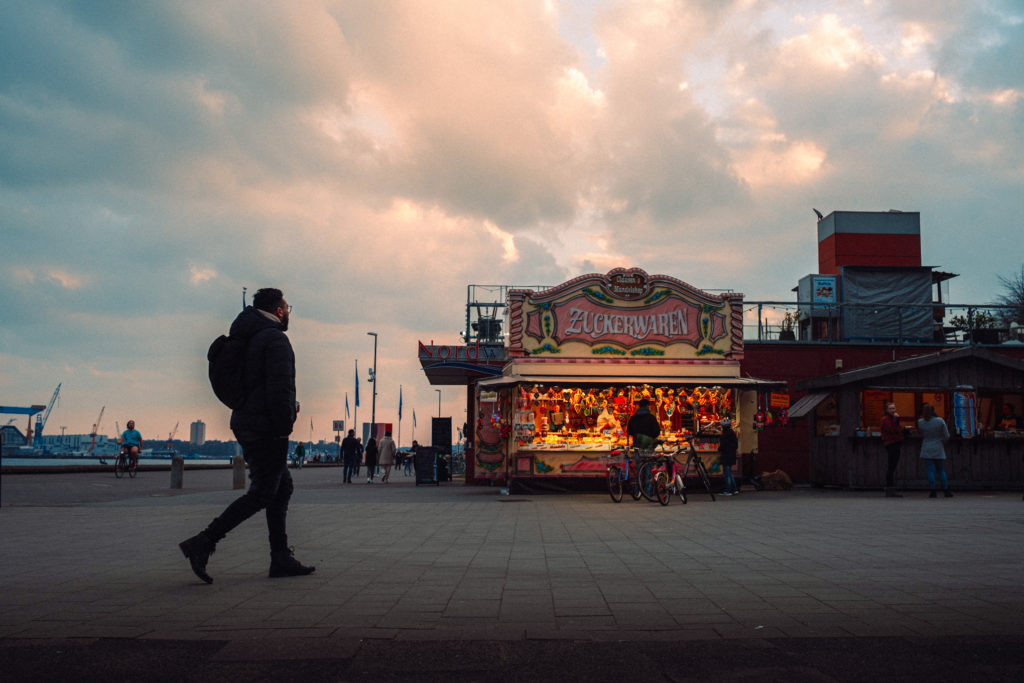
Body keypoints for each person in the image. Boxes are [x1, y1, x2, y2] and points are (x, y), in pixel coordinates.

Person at [179, 287, 314, 583]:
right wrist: (284, 426)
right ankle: (204, 541)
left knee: (281, 488)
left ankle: (280, 557)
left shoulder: (249, 335)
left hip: (247, 420)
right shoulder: (275, 339)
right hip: (267, 427)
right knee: (264, 491)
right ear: (279, 310)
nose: (289, 312)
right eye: (287, 307)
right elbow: (280, 389)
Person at [918, 403, 952, 498]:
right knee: (941, 470)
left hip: (927, 446)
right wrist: (942, 441)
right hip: (938, 445)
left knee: (930, 470)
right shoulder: (940, 421)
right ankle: (945, 490)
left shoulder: (921, 422)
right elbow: (947, 435)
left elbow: (921, 433)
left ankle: (933, 490)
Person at [879, 402, 904, 497]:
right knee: (891, 467)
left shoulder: (891, 419)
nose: (893, 410)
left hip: (895, 443)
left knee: (892, 467)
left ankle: (890, 489)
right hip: (891, 443)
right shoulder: (885, 419)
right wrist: (897, 420)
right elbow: (892, 429)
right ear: (886, 410)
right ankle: (890, 489)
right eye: (891, 409)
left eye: (894, 408)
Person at [718, 418, 739, 496]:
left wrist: (719, 449)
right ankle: (735, 489)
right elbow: (735, 445)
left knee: (727, 474)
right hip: (731, 455)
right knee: (729, 473)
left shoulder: (724, 435)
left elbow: (722, 446)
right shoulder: (732, 434)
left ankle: (728, 490)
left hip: (726, 456)